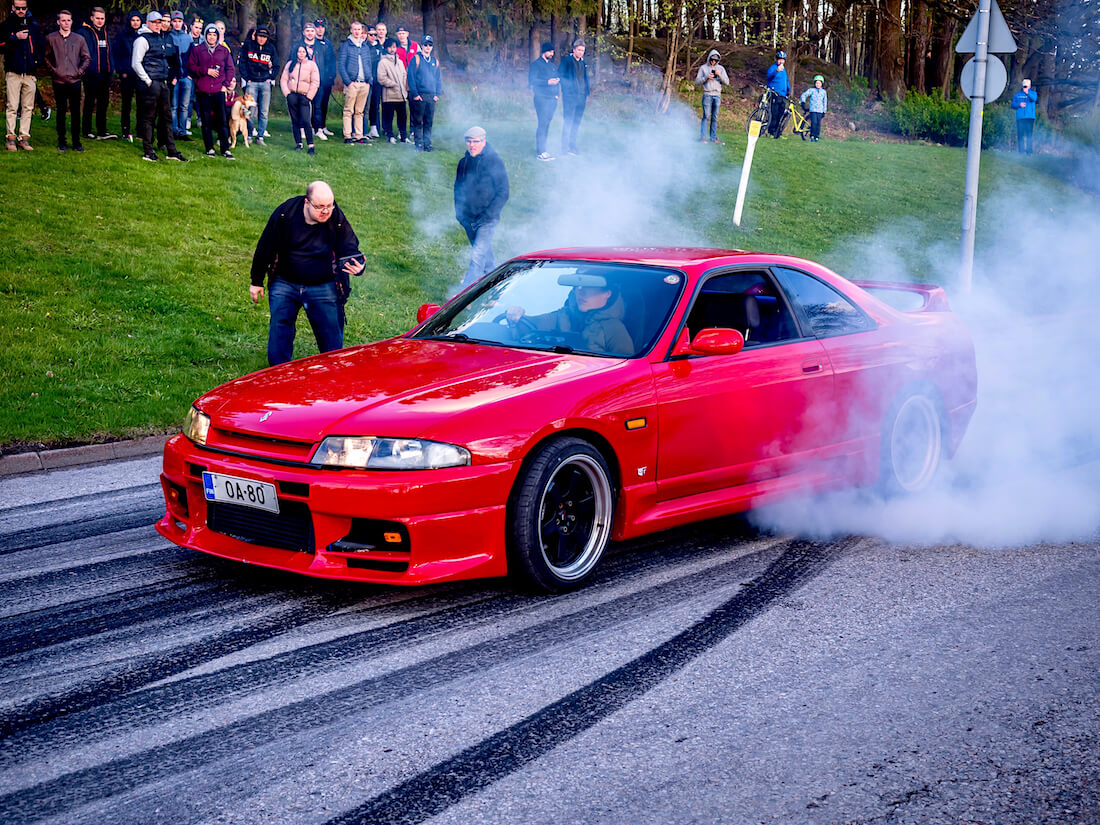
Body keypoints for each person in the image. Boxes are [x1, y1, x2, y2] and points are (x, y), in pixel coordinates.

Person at [249, 181, 365, 366]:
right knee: (280, 328)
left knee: (331, 338)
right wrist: (257, 281)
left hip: (324, 285)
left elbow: (349, 246)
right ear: (306, 202)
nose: (326, 211)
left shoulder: (335, 217)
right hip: (285, 282)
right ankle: (278, 371)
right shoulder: (285, 214)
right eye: (320, 207)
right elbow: (266, 246)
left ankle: (332, 371)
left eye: (329, 205)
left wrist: (358, 266)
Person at [505, 280, 633, 355]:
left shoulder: (615, 329)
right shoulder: (564, 315)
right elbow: (531, 325)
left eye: (588, 286)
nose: (580, 291)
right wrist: (515, 316)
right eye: (577, 286)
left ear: (607, 293)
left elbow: (627, 373)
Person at [454, 125, 509, 287]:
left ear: (484, 141)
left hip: (487, 219)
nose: (472, 145)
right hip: (468, 219)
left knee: (477, 257)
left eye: (476, 141)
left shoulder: (494, 162)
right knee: (486, 259)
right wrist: (460, 214)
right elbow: (457, 189)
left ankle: (465, 298)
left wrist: (489, 215)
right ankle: (496, 287)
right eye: (469, 142)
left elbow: (503, 192)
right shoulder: (463, 163)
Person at [132, 11, 187, 162]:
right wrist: (148, 80)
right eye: (155, 22)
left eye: (159, 22)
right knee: (149, 117)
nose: (158, 25)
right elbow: (135, 63)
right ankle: (148, 151)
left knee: (167, 117)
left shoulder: (159, 37)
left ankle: (171, 151)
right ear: (148, 23)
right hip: (151, 84)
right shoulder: (142, 39)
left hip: (162, 83)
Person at [2, 0, 45, 152]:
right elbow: (1, 45)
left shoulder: (34, 24)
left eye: (23, 8)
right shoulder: (7, 25)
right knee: (12, 106)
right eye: (18, 8)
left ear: (27, 8)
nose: (20, 10)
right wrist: (14, 38)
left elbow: (41, 46)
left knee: (28, 107)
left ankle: (24, 138)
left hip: (30, 73)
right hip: (13, 72)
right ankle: (10, 138)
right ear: (13, 7)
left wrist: (36, 61)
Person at [44, 9, 89, 152]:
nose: (66, 23)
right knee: (61, 112)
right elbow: (46, 58)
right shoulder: (51, 38)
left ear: (72, 21)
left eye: (69, 20)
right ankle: (61, 141)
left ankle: (76, 142)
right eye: (63, 20)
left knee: (76, 113)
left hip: (75, 81)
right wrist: (55, 71)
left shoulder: (79, 39)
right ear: (58, 22)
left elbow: (86, 57)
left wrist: (79, 71)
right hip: (59, 81)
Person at [188, 23, 234, 159]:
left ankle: (225, 149)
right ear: (205, 35)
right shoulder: (198, 50)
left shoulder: (224, 51)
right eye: (209, 34)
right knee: (206, 121)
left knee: (222, 121)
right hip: (203, 90)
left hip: (219, 90)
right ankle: (209, 148)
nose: (212, 37)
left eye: (214, 35)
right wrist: (205, 71)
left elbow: (230, 69)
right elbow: (191, 67)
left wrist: (225, 85)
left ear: (217, 36)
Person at [79, 7, 116, 141]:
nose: (100, 21)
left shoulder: (106, 33)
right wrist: (85, 69)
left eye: (102, 18)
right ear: (92, 18)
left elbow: (109, 52)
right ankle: (86, 130)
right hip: (91, 73)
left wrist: (111, 68)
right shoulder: (84, 32)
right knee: (89, 102)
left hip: (105, 74)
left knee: (103, 102)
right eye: (97, 18)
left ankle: (102, 130)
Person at [239, 26, 277, 144]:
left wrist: (271, 78)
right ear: (256, 36)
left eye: (264, 37)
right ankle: (249, 134)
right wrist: (247, 78)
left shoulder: (271, 48)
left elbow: (276, 65)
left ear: (267, 38)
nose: (262, 39)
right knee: (250, 110)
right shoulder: (248, 45)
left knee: (264, 111)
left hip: (265, 83)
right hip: (252, 82)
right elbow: (242, 62)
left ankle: (260, 136)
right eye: (260, 36)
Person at [338, 21, 373, 144]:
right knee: (348, 110)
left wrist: (369, 80)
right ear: (351, 31)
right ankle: (348, 135)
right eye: (355, 29)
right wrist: (348, 82)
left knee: (360, 111)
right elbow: (341, 65)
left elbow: (368, 64)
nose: (357, 32)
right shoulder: (346, 46)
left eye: (359, 29)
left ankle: (359, 135)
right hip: (352, 83)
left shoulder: (365, 47)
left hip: (364, 83)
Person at [112, 10, 144, 141]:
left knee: (141, 104)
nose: (135, 23)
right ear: (129, 21)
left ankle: (140, 131)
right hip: (127, 74)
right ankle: (125, 130)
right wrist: (121, 71)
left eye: (138, 20)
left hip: (141, 74)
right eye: (133, 20)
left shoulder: (143, 35)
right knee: (127, 104)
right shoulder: (122, 36)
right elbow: (116, 54)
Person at [281, 44, 318, 153]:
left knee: (306, 121)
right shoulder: (290, 64)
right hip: (292, 96)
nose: (301, 54)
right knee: (295, 121)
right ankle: (298, 144)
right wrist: (287, 94)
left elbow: (315, 82)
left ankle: (311, 145)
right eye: (299, 52)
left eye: (303, 52)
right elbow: (284, 80)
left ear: (306, 53)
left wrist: (309, 96)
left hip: (304, 96)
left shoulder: (312, 65)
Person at [407, 34, 441, 151]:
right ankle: (419, 144)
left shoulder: (434, 61)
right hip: (419, 96)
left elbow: (438, 79)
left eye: (430, 45)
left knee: (429, 121)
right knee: (418, 121)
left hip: (431, 96)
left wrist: (437, 94)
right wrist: (415, 94)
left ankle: (427, 144)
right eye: (425, 45)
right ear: (421, 46)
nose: (427, 47)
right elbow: (410, 77)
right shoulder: (416, 59)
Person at [558, 38, 589, 155]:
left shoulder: (583, 63)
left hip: (582, 97)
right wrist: (568, 89)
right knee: (568, 122)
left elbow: (585, 79)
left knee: (576, 122)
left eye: (583, 50)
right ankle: (564, 148)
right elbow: (560, 76)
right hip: (570, 97)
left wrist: (586, 92)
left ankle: (572, 147)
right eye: (579, 50)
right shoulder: (567, 61)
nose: (581, 52)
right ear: (574, 50)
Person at [528, 41, 559, 161]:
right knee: (542, 124)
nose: (552, 54)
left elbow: (557, 80)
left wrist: (557, 95)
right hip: (541, 99)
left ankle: (544, 149)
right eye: (550, 51)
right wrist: (547, 82)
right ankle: (541, 152)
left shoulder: (552, 65)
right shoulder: (535, 65)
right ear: (544, 51)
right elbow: (532, 81)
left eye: (553, 52)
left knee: (547, 124)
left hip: (552, 99)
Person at [376, 37, 409, 144]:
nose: (392, 49)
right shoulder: (383, 62)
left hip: (401, 95)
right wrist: (394, 84)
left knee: (403, 117)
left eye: (394, 47)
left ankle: (404, 136)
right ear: (386, 48)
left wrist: (404, 88)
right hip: (389, 96)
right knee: (388, 117)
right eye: (390, 47)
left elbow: (404, 75)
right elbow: (381, 78)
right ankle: (390, 136)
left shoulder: (399, 61)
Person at [695, 49, 729, 144]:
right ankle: (703, 137)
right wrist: (706, 77)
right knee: (706, 116)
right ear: (709, 58)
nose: (713, 62)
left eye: (715, 60)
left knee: (715, 117)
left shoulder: (721, 69)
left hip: (717, 95)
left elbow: (727, 82)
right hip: (707, 94)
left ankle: (713, 138)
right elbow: (697, 81)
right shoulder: (703, 68)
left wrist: (719, 75)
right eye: (712, 60)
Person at [310, 19, 337, 138]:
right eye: (318, 27)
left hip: (326, 79)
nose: (320, 29)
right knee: (314, 103)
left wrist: (332, 76)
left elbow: (331, 61)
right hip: (313, 79)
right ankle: (312, 126)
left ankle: (323, 125)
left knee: (324, 103)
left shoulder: (328, 43)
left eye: (322, 27)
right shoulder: (311, 42)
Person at [765, 50, 790, 138]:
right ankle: (771, 132)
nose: (781, 61)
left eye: (783, 59)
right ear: (777, 60)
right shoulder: (773, 68)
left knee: (781, 114)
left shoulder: (784, 70)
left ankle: (777, 133)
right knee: (774, 114)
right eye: (780, 59)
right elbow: (769, 77)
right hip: (775, 93)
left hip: (783, 95)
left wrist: (788, 89)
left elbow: (786, 80)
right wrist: (776, 70)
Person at [365, 23, 383, 138]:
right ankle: (362, 129)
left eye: (375, 34)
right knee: (365, 105)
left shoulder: (379, 47)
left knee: (375, 104)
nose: (373, 36)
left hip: (377, 79)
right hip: (367, 79)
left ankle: (374, 127)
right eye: (370, 34)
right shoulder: (365, 46)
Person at [1012, 78, 1037, 155]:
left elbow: (1034, 99)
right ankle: (1021, 152)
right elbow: (1013, 105)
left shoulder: (1033, 93)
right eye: (1024, 86)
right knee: (1020, 135)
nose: (1025, 87)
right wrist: (1019, 105)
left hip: (1030, 118)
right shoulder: (1017, 95)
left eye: (1026, 86)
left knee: (1029, 135)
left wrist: (1027, 93)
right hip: (1020, 118)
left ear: (1030, 86)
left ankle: (1029, 152)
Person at [799, 74, 827, 142]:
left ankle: (816, 137)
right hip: (813, 110)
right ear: (814, 83)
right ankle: (812, 136)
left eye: (819, 83)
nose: (818, 84)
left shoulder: (823, 92)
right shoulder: (811, 90)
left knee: (818, 124)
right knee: (813, 123)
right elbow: (804, 95)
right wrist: (803, 102)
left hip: (820, 111)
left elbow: (825, 102)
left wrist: (824, 111)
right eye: (817, 83)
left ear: (821, 84)